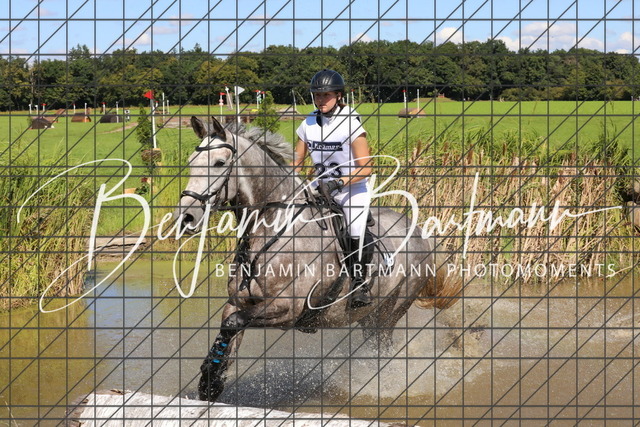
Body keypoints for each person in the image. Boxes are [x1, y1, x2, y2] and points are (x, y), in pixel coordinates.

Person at [292, 69, 374, 309]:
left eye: (326, 95)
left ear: (339, 96)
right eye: (317, 95)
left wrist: (338, 183)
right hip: (319, 187)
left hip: (351, 188)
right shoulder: (307, 123)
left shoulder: (351, 123)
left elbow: (366, 167)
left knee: (355, 229)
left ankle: (359, 283)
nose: (320, 100)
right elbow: (296, 162)